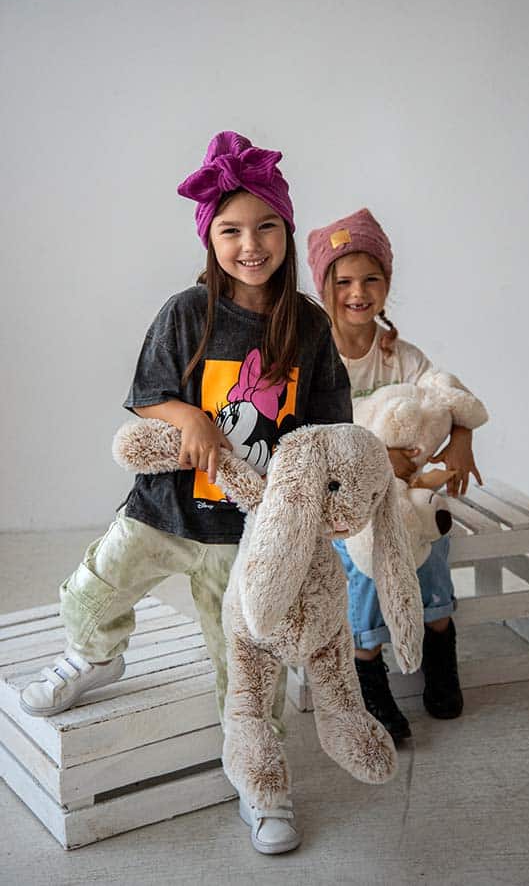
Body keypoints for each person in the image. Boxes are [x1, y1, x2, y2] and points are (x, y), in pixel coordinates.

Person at [20, 131, 352, 854]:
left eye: (266, 227)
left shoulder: (309, 325)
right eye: (231, 230)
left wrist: (312, 515)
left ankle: (262, 786)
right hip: (166, 511)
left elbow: (330, 431)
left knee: (249, 674)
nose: (250, 245)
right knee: (91, 590)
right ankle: (95, 656)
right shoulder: (186, 312)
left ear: (287, 231)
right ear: (210, 238)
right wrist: (193, 418)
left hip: (248, 538)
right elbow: (147, 396)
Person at [307, 208, 488, 744]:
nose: (357, 293)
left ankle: (439, 648)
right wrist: (377, 458)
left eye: (371, 279)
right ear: (323, 288)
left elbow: (448, 393)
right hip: (345, 501)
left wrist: (462, 438)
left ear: (387, 284)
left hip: (408, 497)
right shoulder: (316, 358)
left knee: (430, 547)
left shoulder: (402, 357)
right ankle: (366, 665)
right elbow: (312, 437)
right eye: (343, 282)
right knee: (362, 565)